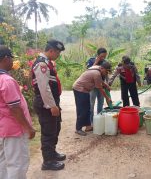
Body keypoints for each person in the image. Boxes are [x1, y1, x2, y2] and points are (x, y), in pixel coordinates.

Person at [0, 45, 36, 179]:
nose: (12, 62)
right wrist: (29, 128)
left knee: (3, 163)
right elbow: (15, 109)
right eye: (11, 59)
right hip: (14, 129)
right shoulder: (7, 81)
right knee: (17, 164)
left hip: (3, 129)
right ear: (5, 58)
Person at [32, 39, 66, 171]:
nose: (58, 55)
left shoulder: (48, 63)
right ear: (51, 51)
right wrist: (52, 105)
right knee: (48, 132)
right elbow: (44, 87)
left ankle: (52, 153)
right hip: (45, 103)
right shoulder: (42, 64)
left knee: (55, 128)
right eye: (58, 52)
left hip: (51, 101)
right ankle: (48, 161)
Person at [73, 61, 112, 136]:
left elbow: (100, 81)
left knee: (87, 108)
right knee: (82, 109)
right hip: (79, 89)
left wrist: (106, 85)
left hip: (85, 90)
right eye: (106, 71)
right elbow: (99, 88)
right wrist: (107, 98)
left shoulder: (98, 69)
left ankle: (88, 126)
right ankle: (78, 129)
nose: (107, 73)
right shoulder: (97, 73)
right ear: (102, 68)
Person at [86, 47, 108, 123]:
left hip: (101, 85)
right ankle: (91, 122)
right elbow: (88, 71)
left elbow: (106, 75)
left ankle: (99, 121)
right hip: (92, 86)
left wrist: (106, 84)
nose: (103, 58)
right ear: (97, 55)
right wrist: (96, 62)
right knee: (91, 105)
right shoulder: (91, 60)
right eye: (101, 56)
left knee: (101, 104)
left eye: (105, 56)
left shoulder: (105, 62)